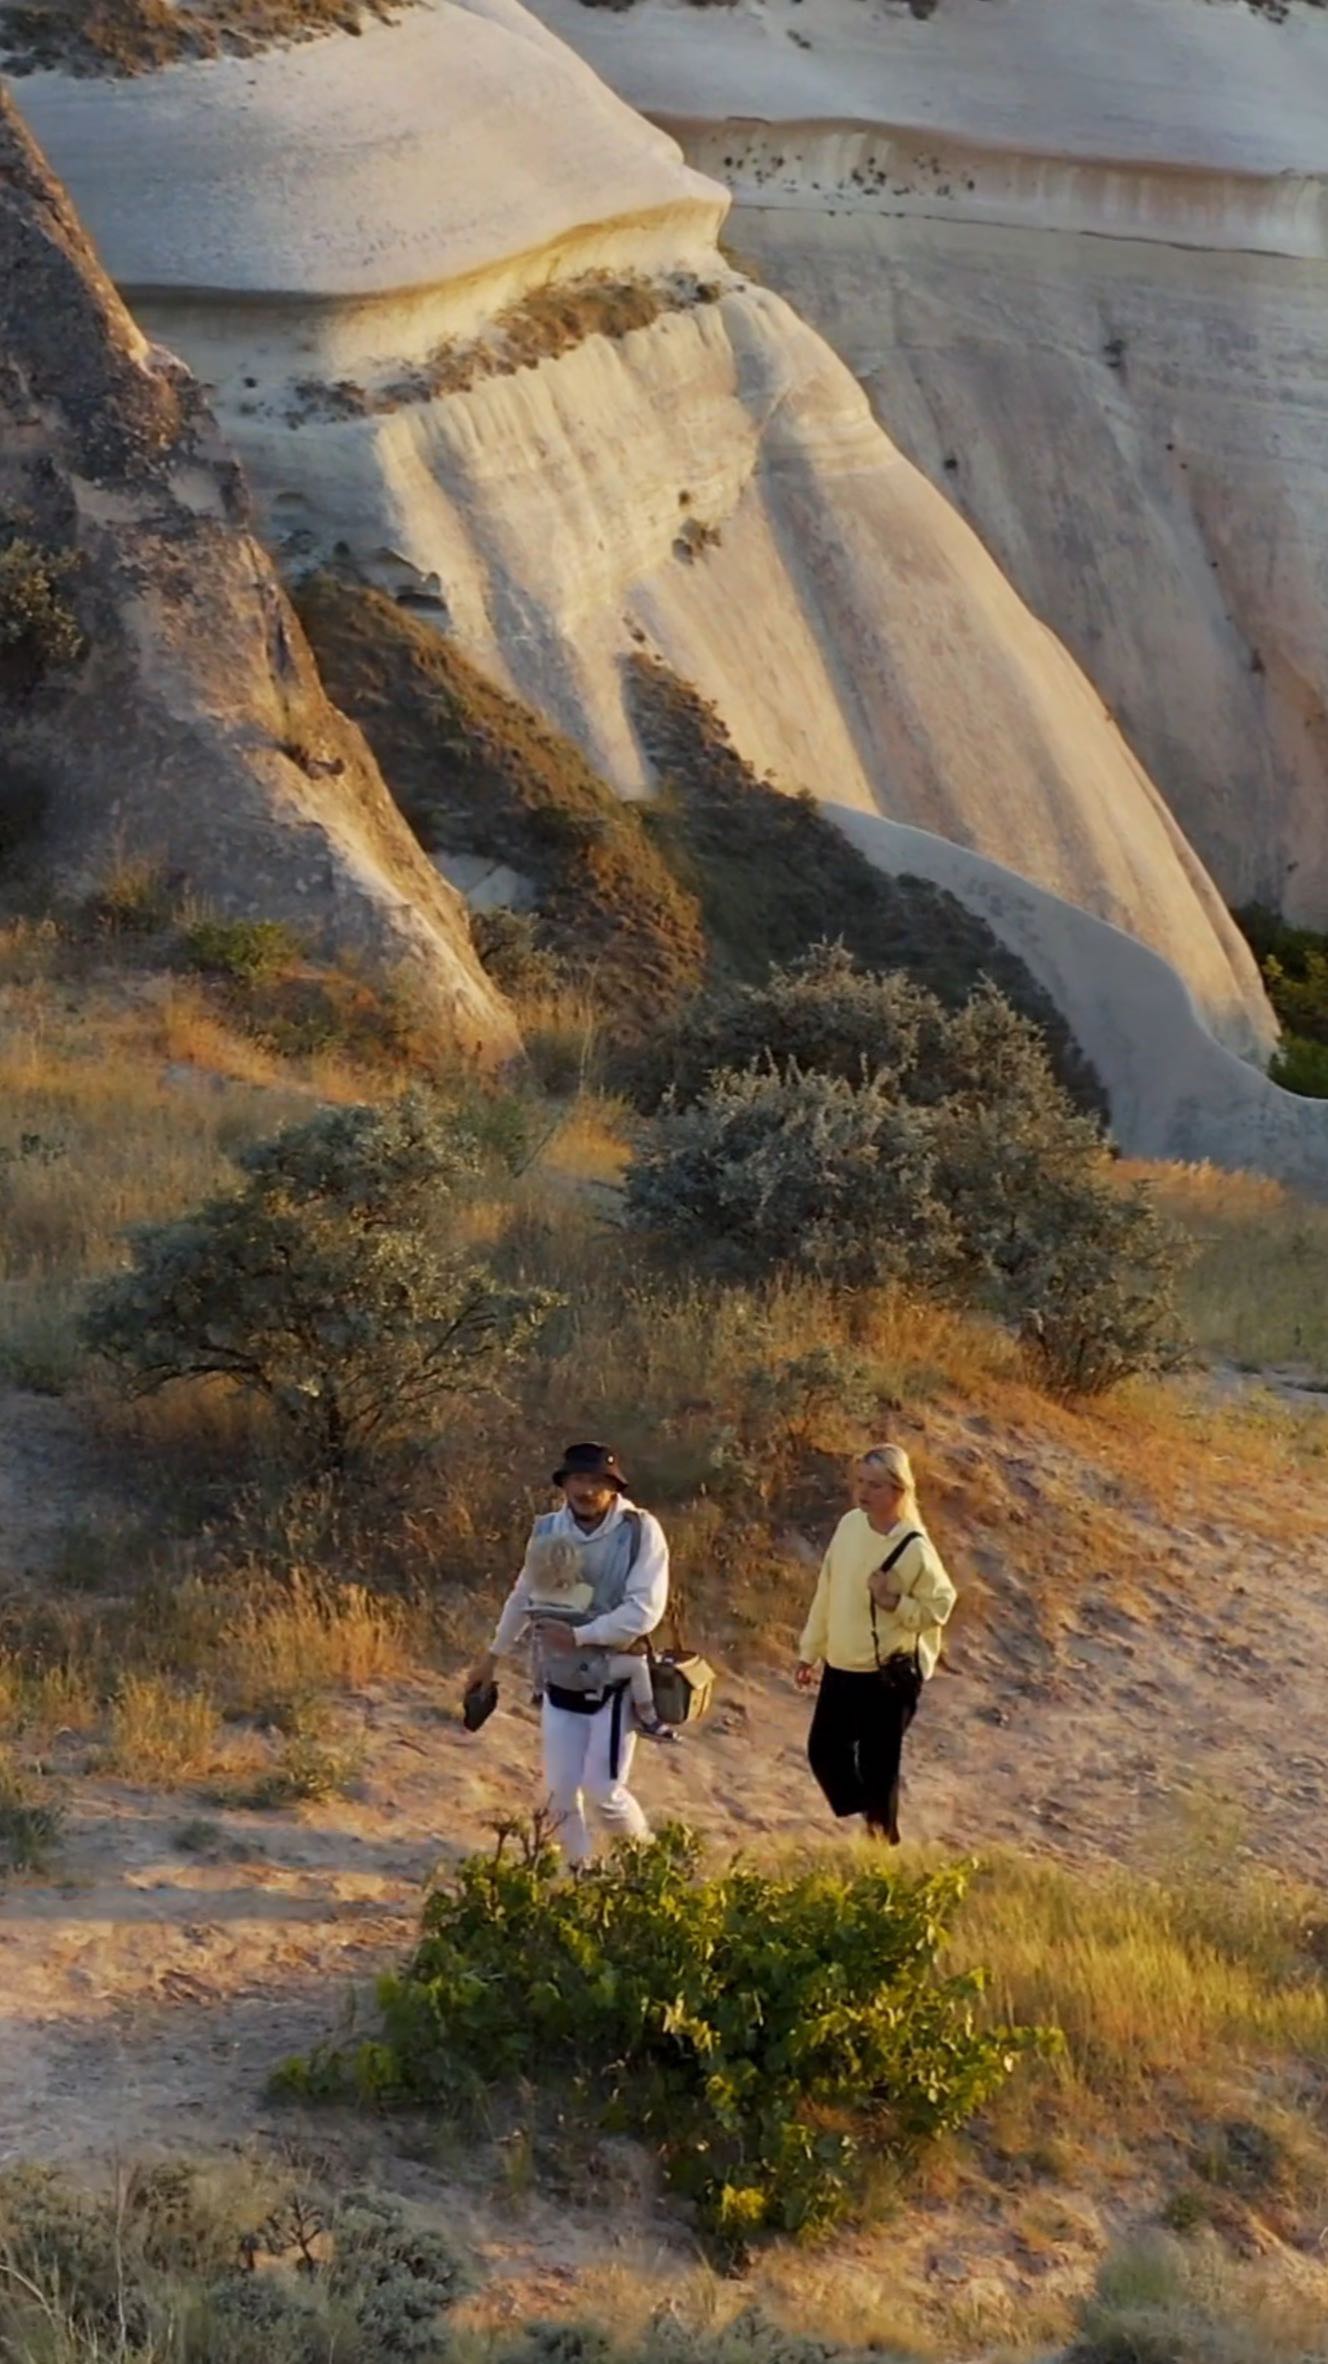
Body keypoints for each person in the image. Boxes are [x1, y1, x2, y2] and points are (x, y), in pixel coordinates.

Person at [466, 1442, 671, 1864]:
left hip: (614, 1678)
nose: (586, 1489)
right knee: (559, 1796)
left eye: (596, 1481)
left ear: (612, 1487)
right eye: (578, 1479)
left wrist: (583, 1635)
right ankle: (580, 1876)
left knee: (604, 1791)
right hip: (559, 1678)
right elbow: (524, 1595)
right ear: (564, 1483)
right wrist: (492, 1655)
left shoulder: (639, 1530)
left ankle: (649, 1870)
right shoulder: (547, 1530)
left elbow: (644, 1610)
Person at [796, 1444, 956, 1845]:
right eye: (861, 1483)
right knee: (824, 1752)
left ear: (899, 1491)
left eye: (876, 1486)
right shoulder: (850, 1525)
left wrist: (894, 1603)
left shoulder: (914, 1545)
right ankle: (872, 1814)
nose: (864, 1493)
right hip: (841, 1665)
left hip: (887, 1675)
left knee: (878, 1765)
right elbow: (827, 1590)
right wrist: (809, 1651)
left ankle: (879, 1843)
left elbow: (941, 1605)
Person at [521, 1530, 677, 1743]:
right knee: (637, 1667)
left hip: (554, 1673)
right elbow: (604, 1634)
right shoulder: (584, 1594)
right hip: (586, 1672)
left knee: (538, 1639)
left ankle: (538, 1691)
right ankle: (649, 1719)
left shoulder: (535, 1598)